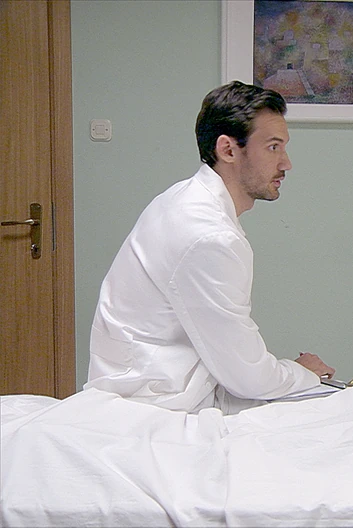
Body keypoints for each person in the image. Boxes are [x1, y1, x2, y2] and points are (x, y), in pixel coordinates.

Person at [85, 81, 334, 414]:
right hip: (160, 405)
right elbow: (247, 376)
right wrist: (303, 374)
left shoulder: (181, 198)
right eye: (273, 147)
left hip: (159, 382)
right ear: (228, 150)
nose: (286, 163)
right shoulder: (210, 237)